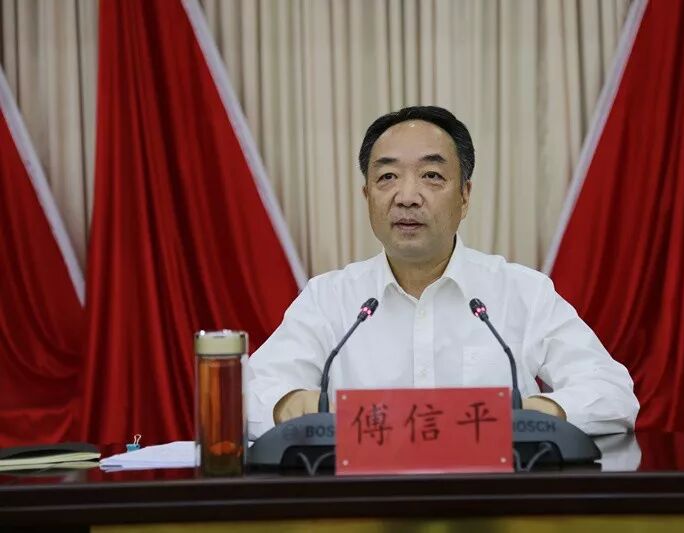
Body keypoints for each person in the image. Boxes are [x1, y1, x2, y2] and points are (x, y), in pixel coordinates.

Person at [246, 106, 638, 440]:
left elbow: (612, 392)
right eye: (387, 177)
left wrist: (539, 414)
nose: (407, 197)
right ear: (367, 196)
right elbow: (250, 393)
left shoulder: (521, 291)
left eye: (431, 176)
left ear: (464, 196)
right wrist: (286, 405)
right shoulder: (329, 299)